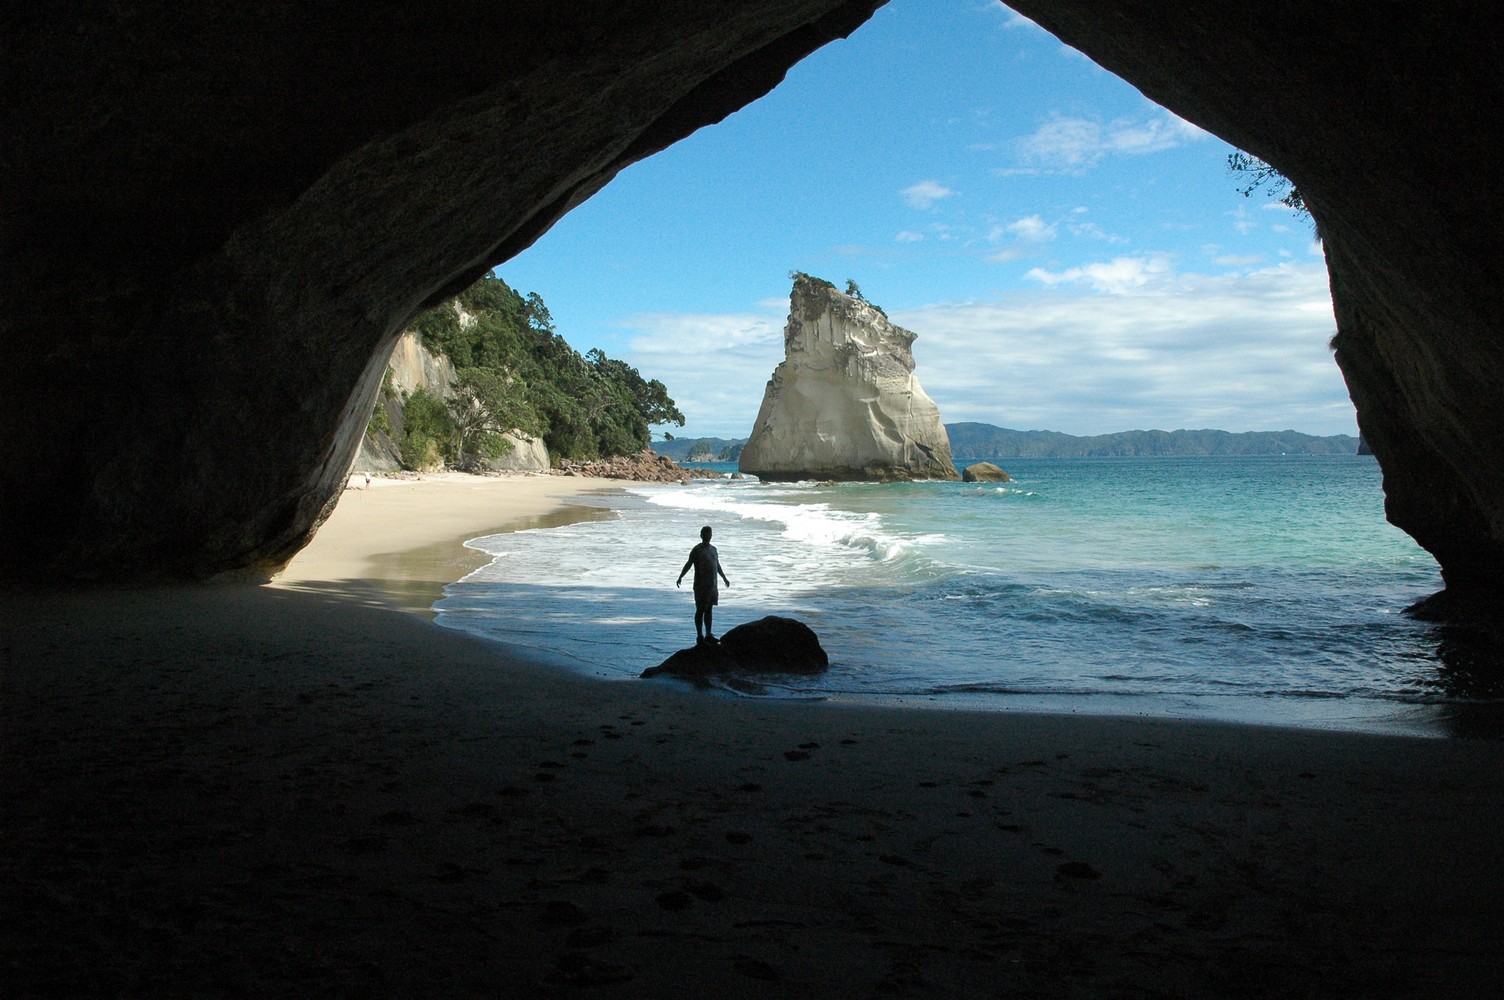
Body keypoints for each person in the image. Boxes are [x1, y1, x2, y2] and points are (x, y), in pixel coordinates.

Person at [676, 525, 730, 644]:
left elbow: (717, 565)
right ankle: (699, 635)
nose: (708, 536)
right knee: (700, 610)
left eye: (709, 534)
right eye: (706, 534)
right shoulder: (697, 550)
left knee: (709, 610)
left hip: (713, 585)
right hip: (700, 585)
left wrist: (724, 578)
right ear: (701, 535)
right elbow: (689, 563)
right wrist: (681, 576)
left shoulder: (714, 549)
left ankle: (708, 634)